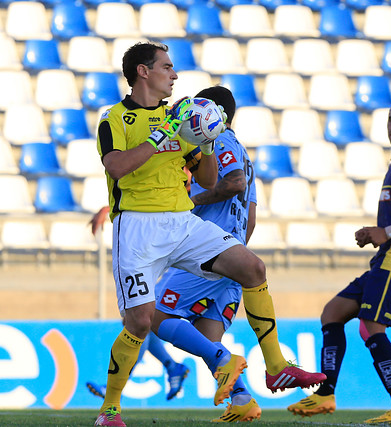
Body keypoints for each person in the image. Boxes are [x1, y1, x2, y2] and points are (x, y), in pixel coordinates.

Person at [94, 42, 324, 427]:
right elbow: (117, 167)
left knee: (253, 268)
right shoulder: (115, 119)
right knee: (139, 322)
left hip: (183, 222)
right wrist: (159, 138)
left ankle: (275, 365)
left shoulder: (180, 119)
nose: (175, 75)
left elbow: (208, 179)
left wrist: (205, 141)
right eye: (167, 67)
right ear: (143, 72)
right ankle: (111, 410)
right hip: (136, 227)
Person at [287, 97, 391, 425]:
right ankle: (326, 394)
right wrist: (376, 235)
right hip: (383, 261)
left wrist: (385, 231)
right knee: (333, 313)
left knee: (371, 327)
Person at [152, 85, 261, 422]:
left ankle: (231, 372)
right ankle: (242, 398)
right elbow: (251, 215)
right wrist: (237, 254)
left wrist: (190, 204)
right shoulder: (243, 152)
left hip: (208, 253)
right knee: (205, 337)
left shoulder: (221, 141)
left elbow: (234, 184)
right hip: (232, 253)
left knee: (151, 315)